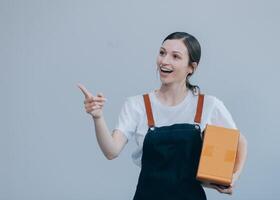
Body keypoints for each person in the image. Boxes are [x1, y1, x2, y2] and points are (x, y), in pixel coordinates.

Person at [78, 32, 248, 200]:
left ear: (191, 68)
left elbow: (240, 141)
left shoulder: (208, 105)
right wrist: (98, 117)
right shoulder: (136, 105)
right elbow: (111, 151)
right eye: (162, 53)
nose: (164, 61)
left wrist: (234, 176)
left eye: (175, 56)